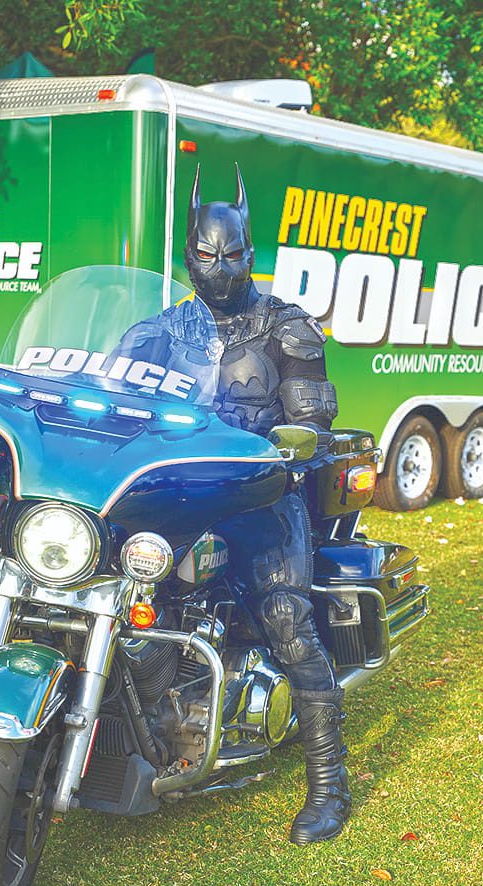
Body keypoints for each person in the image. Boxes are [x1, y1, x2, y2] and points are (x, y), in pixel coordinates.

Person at [125, 164, 350, 844]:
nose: (218, 268)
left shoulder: (287, 328)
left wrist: (296, 442)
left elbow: (313, 424)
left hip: (259, 499)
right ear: (187, 254)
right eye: (205, 254)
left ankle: (329, 786)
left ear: (251, 254)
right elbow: (109, 395)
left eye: (231, 255)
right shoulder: (160, 330)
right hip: (174, 498)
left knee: (288, 622)